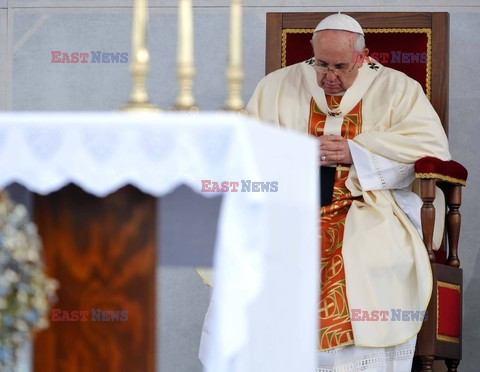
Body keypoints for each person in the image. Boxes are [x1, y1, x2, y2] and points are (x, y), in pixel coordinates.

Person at [246, 13, 450, 371]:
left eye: (340, 66)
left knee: (371, 255)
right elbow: (247, 145)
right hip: (295, 200)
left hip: (370, 203)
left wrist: (356, 150)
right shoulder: (277, 85)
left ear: (363, 56)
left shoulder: (398, 88)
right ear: (311, 52)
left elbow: (431, 148)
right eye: (320, 64)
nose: (328, 75)